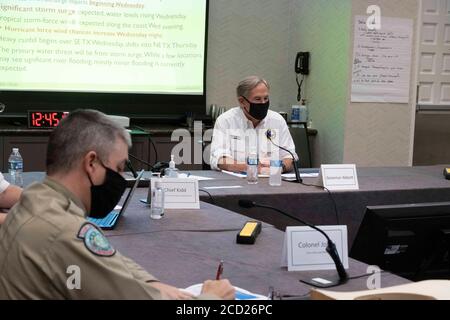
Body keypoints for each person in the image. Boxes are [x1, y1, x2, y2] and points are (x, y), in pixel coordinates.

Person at [0, 109, 235, 300]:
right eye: (120, 168)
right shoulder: (64, 231)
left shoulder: (35, 199)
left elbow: (111, 264)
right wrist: (211, 299)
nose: (119, 178)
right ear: (91, 163)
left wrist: (153, 286)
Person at [210, 75, 298, 174]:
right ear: (242, 101)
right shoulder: (226, 120)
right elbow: (219, 159)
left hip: (271, 180)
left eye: (266, 98)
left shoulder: (277, 120)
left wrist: (279, 167)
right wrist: (248, 168)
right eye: (257, 99)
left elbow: (289, 156)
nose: (263, 103)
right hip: (237, 182)